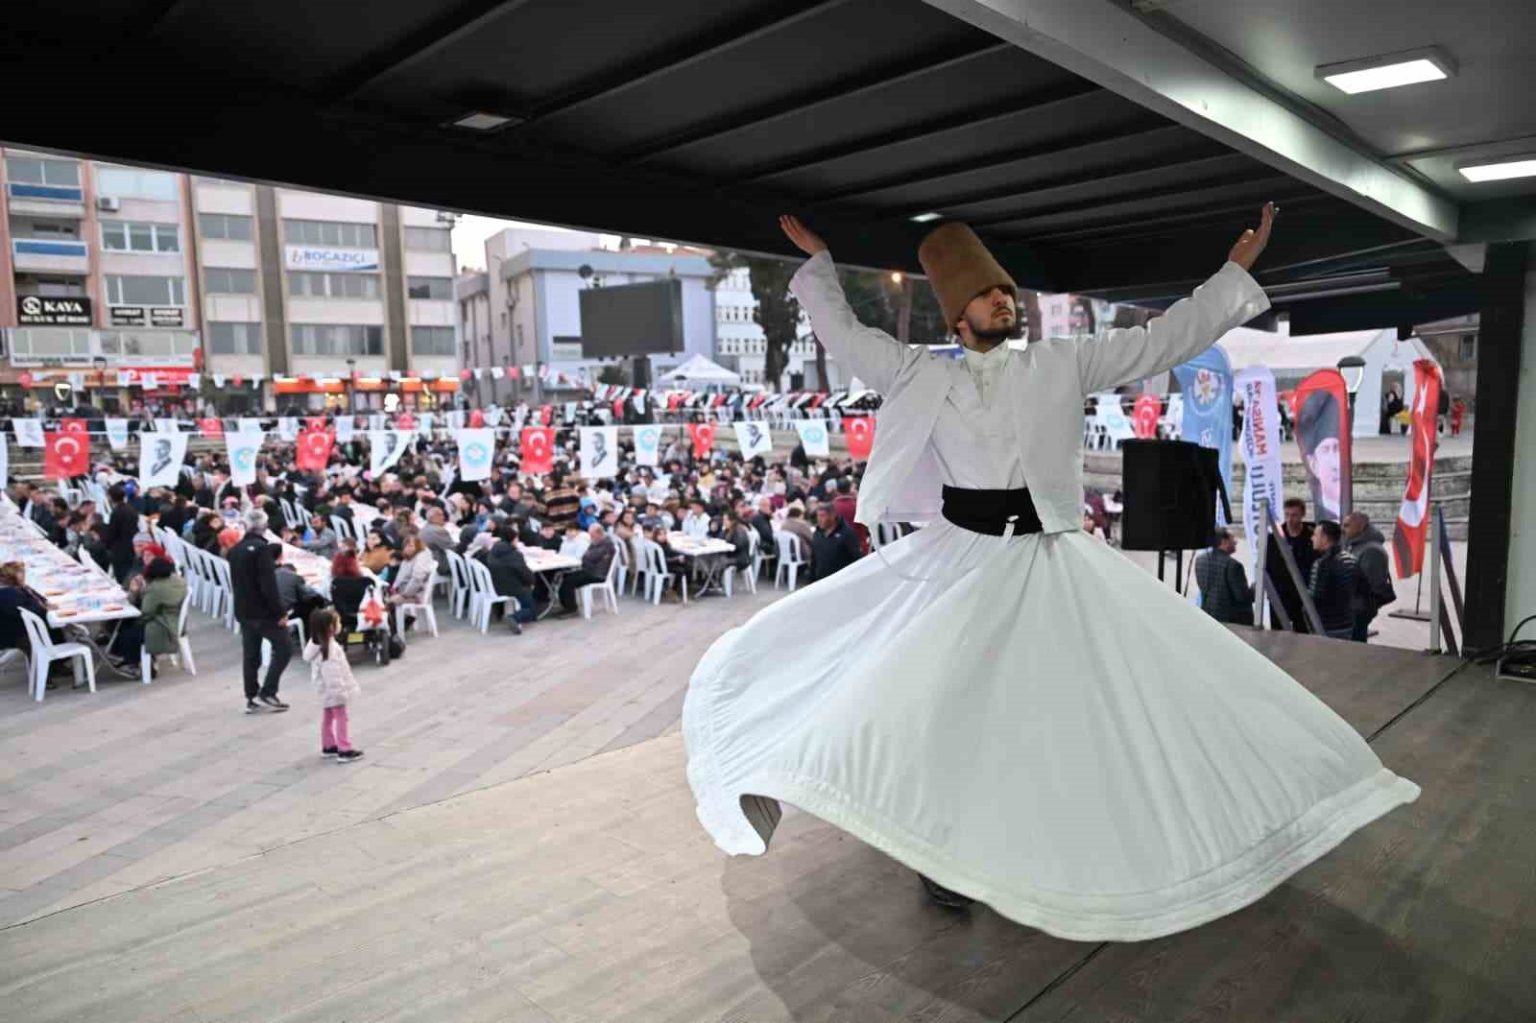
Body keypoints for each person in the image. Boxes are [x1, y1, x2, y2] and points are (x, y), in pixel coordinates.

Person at [680, 207, 1417, 937]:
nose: (1003, 300)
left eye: (1005, 289)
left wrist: (1233, 275)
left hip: (1048, 558)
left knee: (1069, 707)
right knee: (938, 711)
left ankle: (1071, 838)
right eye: (985, 294)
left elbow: (1163, 340)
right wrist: (818, 266)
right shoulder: (917, 373)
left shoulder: (1061, 362)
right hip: (959, 561)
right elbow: (843, 334)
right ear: (958, 316)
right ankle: (942, 853)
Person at [226, 509, 291, 713]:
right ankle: (267, 691)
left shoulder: (235, 550)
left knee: (251, 654)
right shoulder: (263, 550)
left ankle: (251, 696)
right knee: (284, 647)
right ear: (264, 527)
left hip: (244, 609)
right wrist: (280, 612)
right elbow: (268, 585)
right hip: (262, 611)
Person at [303, 609, 364, 763]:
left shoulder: (319, 645)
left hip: (326, 691)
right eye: (338, 622)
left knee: (328, 717)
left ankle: (328, 745)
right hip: (334, 692)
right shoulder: (329, 649)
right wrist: (340, 693)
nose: (340, 625)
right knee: (341, 718)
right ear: (330, 627)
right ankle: (344, 748)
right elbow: (333, 675)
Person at [110, 556, 188, 668]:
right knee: (128, 625)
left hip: (163, 628)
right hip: (174, 621)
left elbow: (146, 613)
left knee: (127, 630)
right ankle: (131, 659)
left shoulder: (155, 588)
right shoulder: (179, 581)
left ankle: (133, 661)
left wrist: (135, 592)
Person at [1264, 498, 1317, 632]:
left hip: (1304, 595)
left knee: (1304, 632)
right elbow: (1268, 565)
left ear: (1302, 515)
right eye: (1287, 515)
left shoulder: (1313, 536)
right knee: (1278, 633)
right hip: (1280, 594)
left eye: (1294, 515)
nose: (1290, 519)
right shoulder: (1275, 537)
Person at [1342, 511, 1395, 643]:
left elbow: (1371, 583)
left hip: (1359, 607)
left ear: (1360, 527)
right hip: (1355, 605)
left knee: (1356, 643)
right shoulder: (1357, 545)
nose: (1343, 529)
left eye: (1347, 525)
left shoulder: (1371, 550)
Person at [480, 525, 538, 633]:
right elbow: (524, 572)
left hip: (495, 584)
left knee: (526, 588)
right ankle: (515, 617)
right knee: (531, 609)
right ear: (513, 539)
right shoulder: (514, 554)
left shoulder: (493, 551)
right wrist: (532, 581)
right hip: (512, 587)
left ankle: (515, 616)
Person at [1308, 520, 1358, 640]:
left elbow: (1316, 598)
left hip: (1327, 625)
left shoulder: (1321, 564)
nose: (1311, 538)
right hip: (1347, 622)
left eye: (1315, 535)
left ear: (1325, 538)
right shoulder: (1351, 559)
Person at [1192, 528, 1254, 625]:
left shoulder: (1200, 560)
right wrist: (1255, 588)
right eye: (1232, 538)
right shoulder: (1233, 565)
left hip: (1208, 616)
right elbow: (1242, 597)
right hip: (1232, 621)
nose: (1236, 542)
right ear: (1224, 542)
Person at [555, 524, 615, 617]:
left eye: (592, 535)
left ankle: (571, 609)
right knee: (566, 576)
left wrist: (587, 554)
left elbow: (590, 557)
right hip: (590, 570)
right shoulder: (598, 542)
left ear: (599, 533)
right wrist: (587, 555)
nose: (590, 537)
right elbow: (587, 556)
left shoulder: (606, 544)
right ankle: (566, 606)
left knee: (569, 581)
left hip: (597, 574)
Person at [809, 504, 860, 582]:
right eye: (818, 516)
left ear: (833, 516)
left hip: (841, 580)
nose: (819, 519)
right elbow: (814, 559)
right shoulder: (817, 533)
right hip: (821, 580)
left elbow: (856, 558)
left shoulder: (846, 533)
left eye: (822, 516)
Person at [328, 550, 374, 633]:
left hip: (342, 616)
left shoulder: (333, 581)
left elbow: (328, 596)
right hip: (365, 615)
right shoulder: (366, 578)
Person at [103, 483, 141, 583]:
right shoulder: (131, 509)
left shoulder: (116, 513)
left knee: (121, 577)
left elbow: (112, 532)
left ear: (110, 497)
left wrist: (107, 545)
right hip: (131, 547)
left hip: (119, 550)